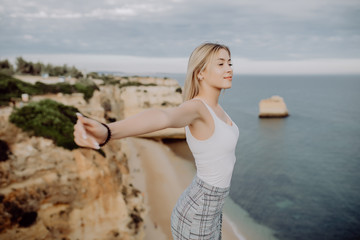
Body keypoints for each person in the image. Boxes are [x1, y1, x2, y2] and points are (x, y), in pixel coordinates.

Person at [73, 42, 239, 239]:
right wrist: (108, 131)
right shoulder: (196, 108)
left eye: (229, 62)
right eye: (220, 64)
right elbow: (163, 117)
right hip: (198, 213)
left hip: (212, 210)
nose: (229, 68)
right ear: (200, 72)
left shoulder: (217, 109)